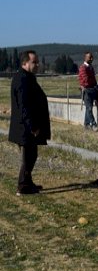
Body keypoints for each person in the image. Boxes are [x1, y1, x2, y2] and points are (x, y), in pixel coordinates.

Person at [9, 50, 51, 195]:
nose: (37, 64)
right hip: (25, 128)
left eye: (37, 62)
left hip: (28, 127)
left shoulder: (28, 77)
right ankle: (22, 186)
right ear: (25, 63)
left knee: (32, 155)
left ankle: (28, 183)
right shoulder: (22, 79)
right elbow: (24, 106)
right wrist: (32, 126)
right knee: (28, 157)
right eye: (34, 62)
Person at [78, 51, 98, 131]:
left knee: (88, 108)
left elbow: (93, 80)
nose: (91, 59)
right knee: (89, 108)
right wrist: (93, 83)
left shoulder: (91, 68)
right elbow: (86, 80)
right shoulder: (83, 68)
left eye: (92, 57)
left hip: (91, 90)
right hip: (86, 90)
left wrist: (95, 84)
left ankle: (86, 124)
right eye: (89, 57)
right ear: (85, 58)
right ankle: (93, 124)